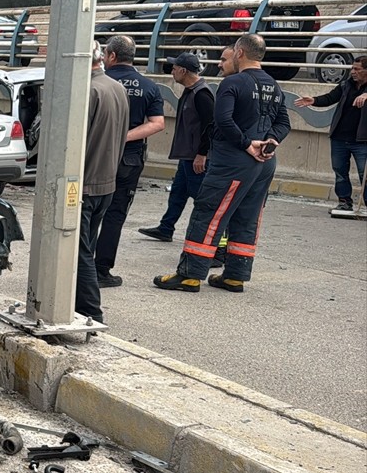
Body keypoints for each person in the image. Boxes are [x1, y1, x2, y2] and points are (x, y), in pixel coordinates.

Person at [154, 33, 291, 293]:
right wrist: (268, 143)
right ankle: (235, 276)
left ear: (240, 52)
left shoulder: (233, 83)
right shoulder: (274, 85)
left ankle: (189, 275)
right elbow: (284, 123)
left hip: (233, 161)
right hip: (264, 164)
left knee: (209, 212)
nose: (220, 63)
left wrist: (247, 145)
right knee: (248, 216)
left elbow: (223, 121)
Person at [94, 35, 166, 288]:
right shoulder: (148, 86)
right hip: (129, 158)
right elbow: (157, 123)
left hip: (96, 155)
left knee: (87, 210)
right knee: (115, 215)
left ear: (112, 56)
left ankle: (78, 266)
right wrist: (125, 137)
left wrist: (112, 136)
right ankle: (101, 270)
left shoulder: (99, 82)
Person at [78, 40, 130, 324]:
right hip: (106, 182)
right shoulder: (116, 87)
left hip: (83, 184)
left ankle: (89, 312)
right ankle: (77, 305)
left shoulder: (88, 91)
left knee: (79, 251)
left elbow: (74, 144)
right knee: (86, 247)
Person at [137, 52, 214, 242]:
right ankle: (166, 228)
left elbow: (211, 126)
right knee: (178, 193)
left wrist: (202, 154)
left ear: (183, 70)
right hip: (186, 155)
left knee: (201, 198)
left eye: (174, 68)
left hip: (195, 157)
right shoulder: (191, 91)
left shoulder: (202, 94)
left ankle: (205, 237)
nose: (172, 71)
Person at [293, 55, 367, 217]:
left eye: (357, 69)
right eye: (352, 69)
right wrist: (313, 100)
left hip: (361, 140)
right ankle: (344, 202)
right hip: (340, 137)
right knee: (340, 170)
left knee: (364, 173)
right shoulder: (346, 85)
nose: (353, 72)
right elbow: (330, 98)